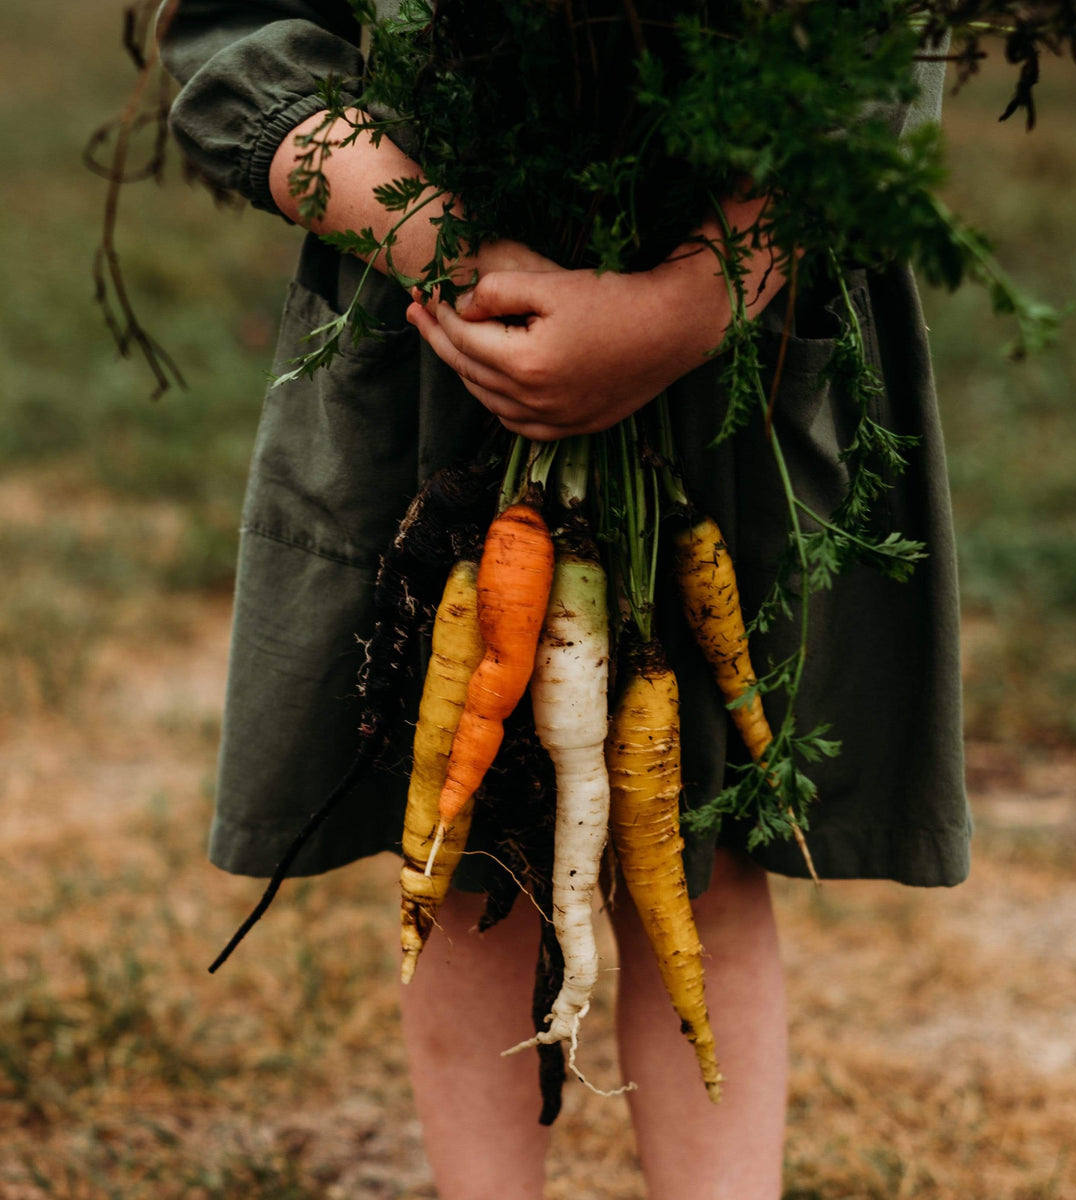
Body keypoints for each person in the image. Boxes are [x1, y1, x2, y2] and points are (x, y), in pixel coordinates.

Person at [160, 3, 971, 1197]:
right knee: (461, 842)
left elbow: (878, 58)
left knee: (700, 856)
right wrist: (451, 249)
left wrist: (691, 301)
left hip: (737, 324)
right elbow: (241, 34)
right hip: (444, 333)